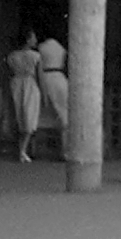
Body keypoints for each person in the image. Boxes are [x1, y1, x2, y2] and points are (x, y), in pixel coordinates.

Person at [6, 29, 42, 163]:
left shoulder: (12, 56)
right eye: (33, 37)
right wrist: (43, 92)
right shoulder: (36, 56)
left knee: (19, 114)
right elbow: (40, 76)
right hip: (30, 84)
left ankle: (22, 149)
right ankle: (23, 150)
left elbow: (8, 72)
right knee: (29, 115)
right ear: (28, 40)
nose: (35, 40)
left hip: (16, 83)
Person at [37, 31, 69, 159]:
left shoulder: (41, 48)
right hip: (60, 78)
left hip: (45, 77)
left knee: (42, 111)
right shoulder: (61, 48)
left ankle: (38, 148)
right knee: (64, 112)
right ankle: (65, 149)